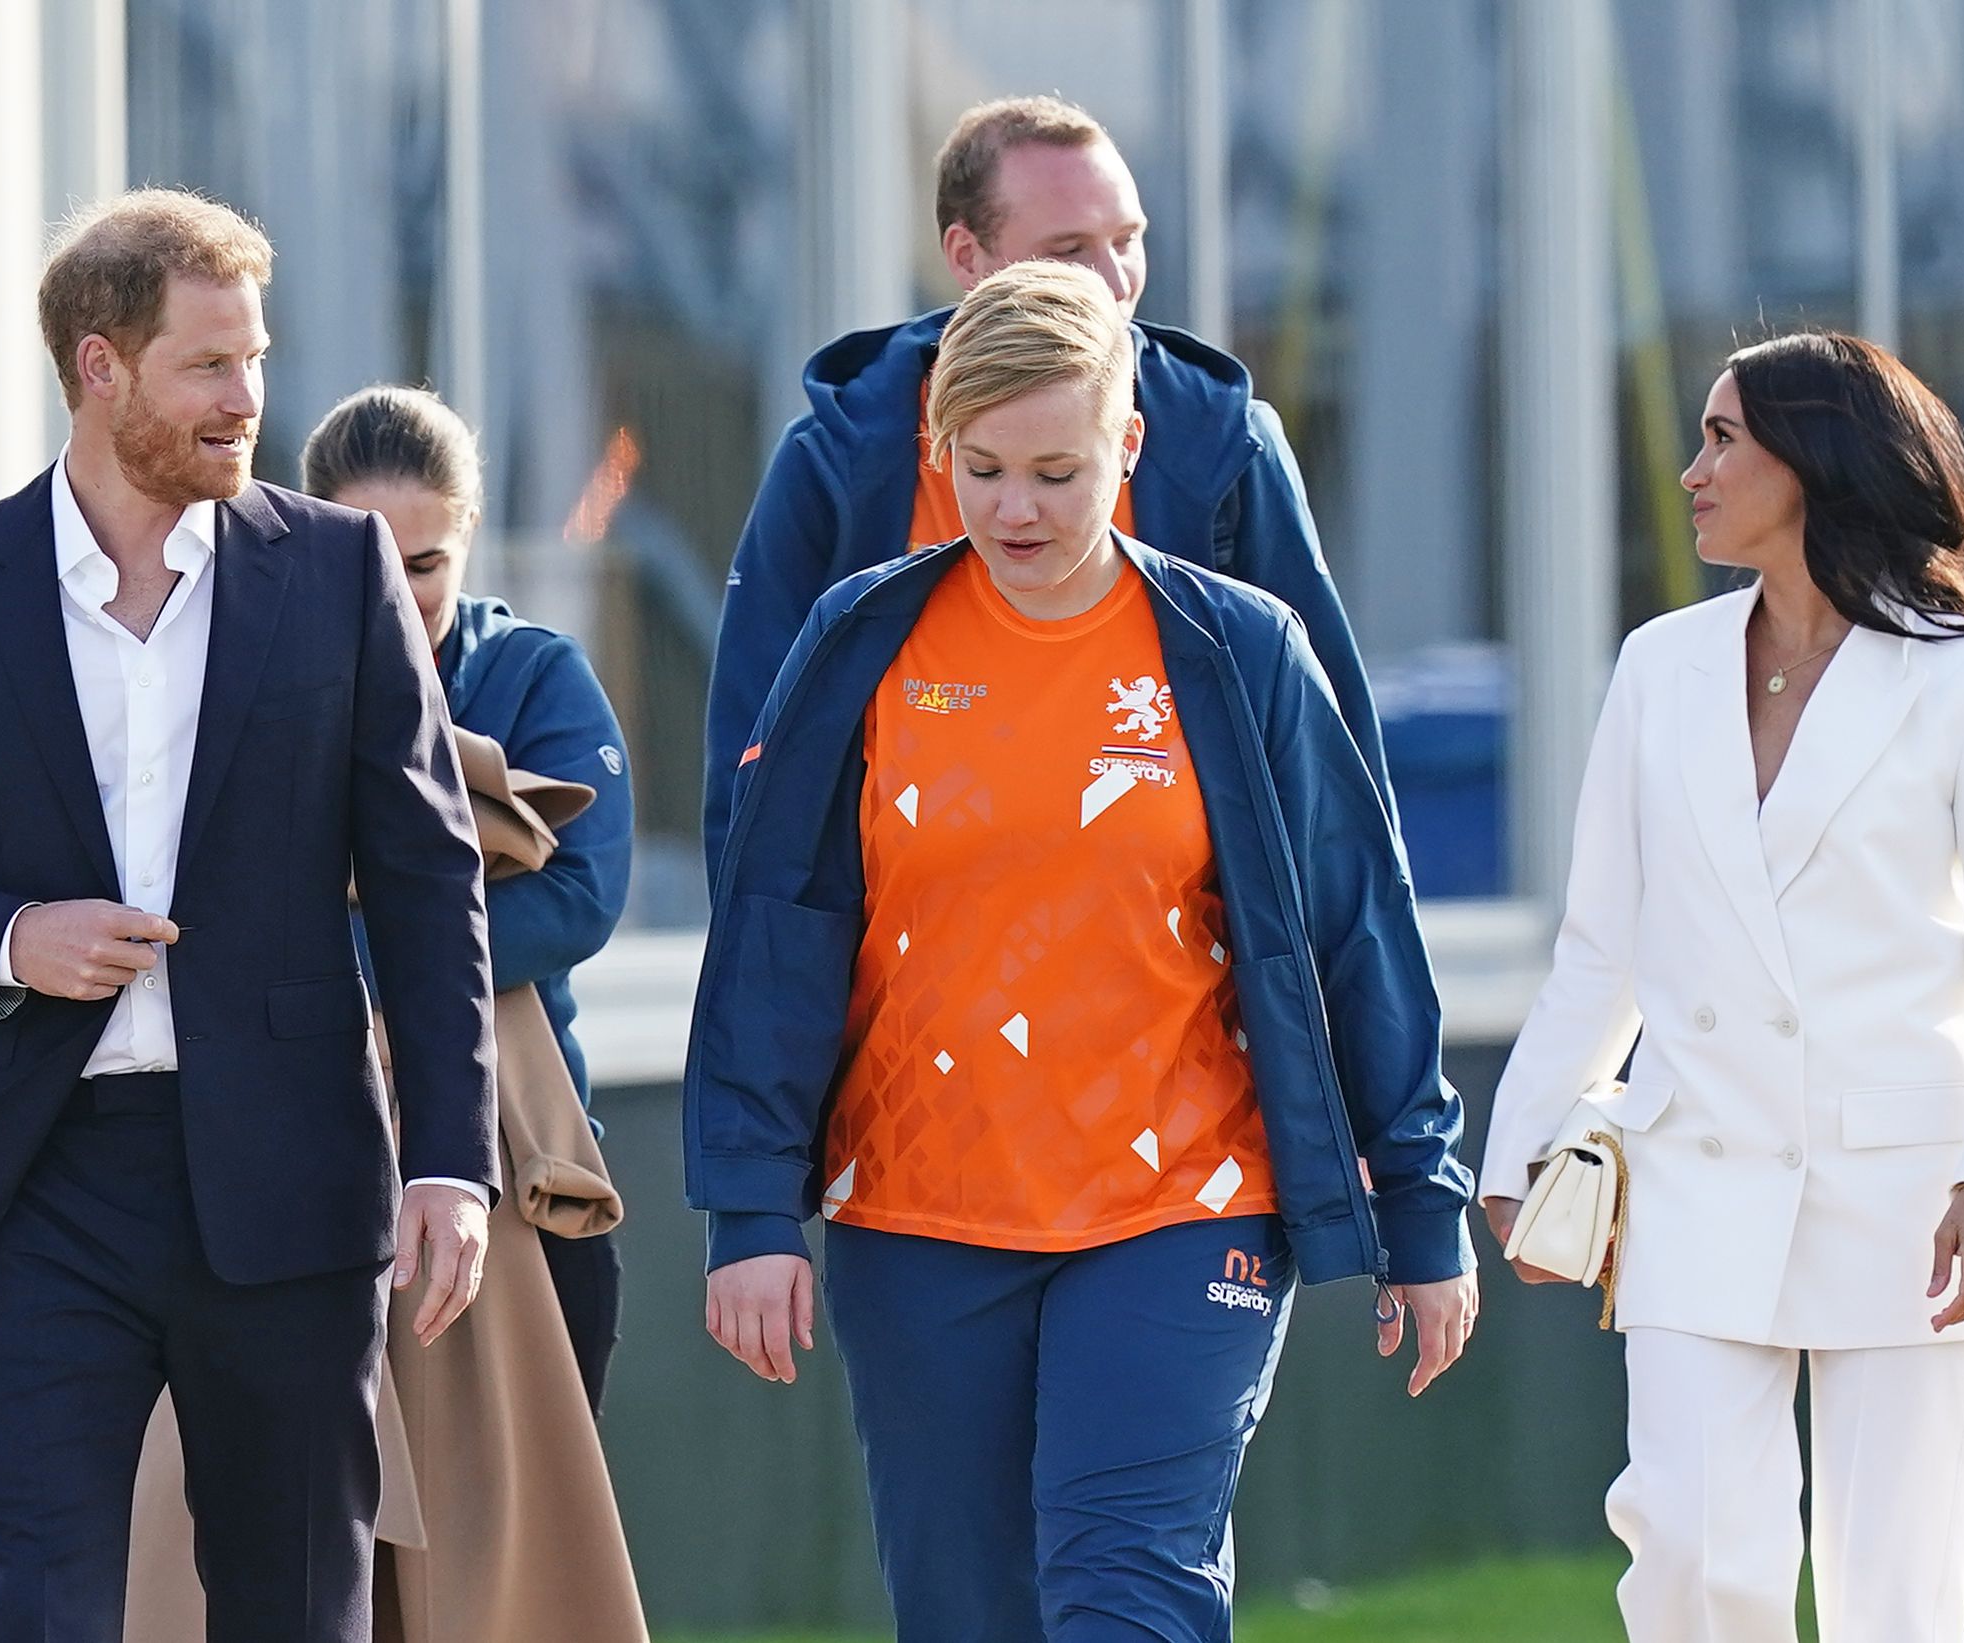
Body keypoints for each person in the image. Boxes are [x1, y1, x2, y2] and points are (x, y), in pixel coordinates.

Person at [687, 262, 1478, 1643]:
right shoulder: (862, 637)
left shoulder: (1239, 647)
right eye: (981, 467)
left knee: (1129, 1592)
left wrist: (1418, 1194)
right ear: (938, 448)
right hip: (917, 1216)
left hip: (1185, 1204)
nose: (1015, 509)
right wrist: (749, 1209)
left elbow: (1353, 922)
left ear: (1129, 444)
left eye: (1057, 471)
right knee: (968, 1611)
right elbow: (777, 927)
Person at [0, 190, 495, 1643]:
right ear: (100, 366)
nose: (248, 400)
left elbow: (428, 879)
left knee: (295, 1611)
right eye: (208, 366)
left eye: (255, 359)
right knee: (48, 1613)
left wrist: (451, 1159)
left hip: (291, 1175)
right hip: (42, 1179)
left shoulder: (337, 571)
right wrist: (10, 937)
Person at [1476, 331, 1964, 1643]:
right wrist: (1518, 1142)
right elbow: (1603, 943)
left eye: (1722, 438)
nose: (1690, 471)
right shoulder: (1659, 665)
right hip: (1694, 1160)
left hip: (1904, 1187)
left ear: (1814, 460)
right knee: (1690, 1553)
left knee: (1896, 1590)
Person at [702, 93, 1392, 883]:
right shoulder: (836, 459)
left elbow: (1334, 766)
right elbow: (755, 766)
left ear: (1128, 446)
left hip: (1174, 944)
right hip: (909, 945)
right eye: (1070, 250)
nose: (1114, 279)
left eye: (1128, 240)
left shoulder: (1227, 444)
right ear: (967, 256)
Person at [304, 385, 636, 1413]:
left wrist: (352, 963)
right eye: (368, 563)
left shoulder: (536, 677)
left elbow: (580, 896)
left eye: (425, 565)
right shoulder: (261, 682)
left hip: (519, 1149)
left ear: (470, 536)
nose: (397, 597)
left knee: (532, 1482)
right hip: (314, 1148)